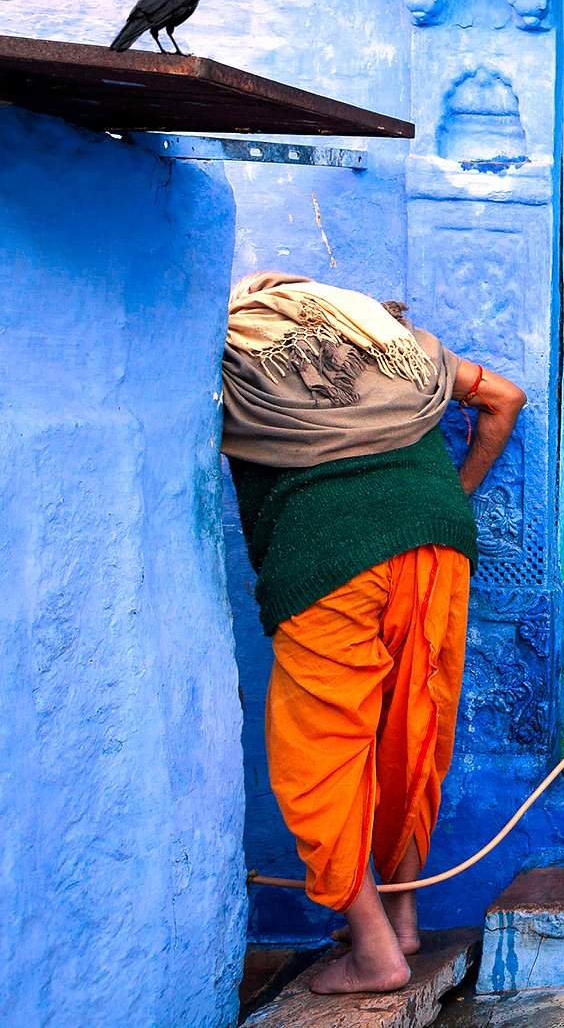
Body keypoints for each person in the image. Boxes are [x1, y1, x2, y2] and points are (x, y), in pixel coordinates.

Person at [219, 272, 525, 994]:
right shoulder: (389, 344)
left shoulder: (235, 350)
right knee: (411, 731)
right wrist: (453, 491)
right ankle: (405, 914)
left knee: (318, 751)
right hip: (437, 538)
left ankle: (374, 950)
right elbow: (504, 398)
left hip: (328, 551)